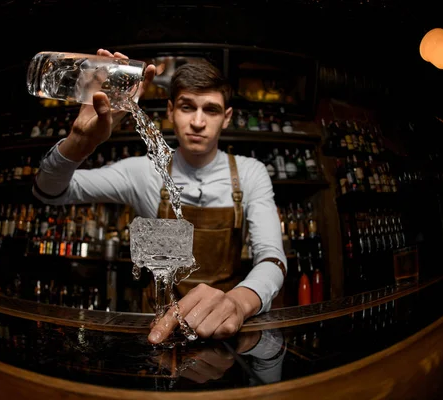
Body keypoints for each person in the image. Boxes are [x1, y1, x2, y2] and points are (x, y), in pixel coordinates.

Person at [33, 48, 287, 345]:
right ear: (170, 111)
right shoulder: (143, 171)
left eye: (211, 110)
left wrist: (240, 302)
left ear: (226, 117)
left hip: (223, 329)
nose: (198, 122)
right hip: (156, 332)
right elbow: (50, 192)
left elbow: (272, 257)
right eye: (187, 107)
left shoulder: (250, 173)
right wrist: (78, 143)